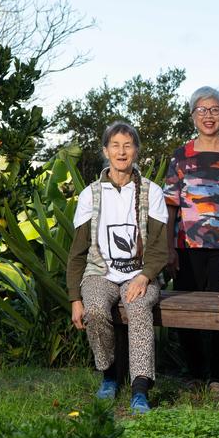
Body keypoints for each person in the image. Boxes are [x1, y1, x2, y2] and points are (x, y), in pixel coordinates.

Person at [67, 121, 168, 415]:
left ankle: (140, 390)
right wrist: (75, 298)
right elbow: (77, 252)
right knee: (95, 308)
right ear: (105, 151)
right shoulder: (90, 194)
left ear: (136, 151)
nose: (121, 152)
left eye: (127, 145)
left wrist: (145, 277)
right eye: (115, 145)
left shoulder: (152, 192)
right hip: (100, 273)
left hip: (140, 274)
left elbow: (160, 247)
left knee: (137, 308)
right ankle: (109, 376)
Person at [163, 86, 219, 396]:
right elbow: (170, 204)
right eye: (202, 110)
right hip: (186, 247)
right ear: (192, 115)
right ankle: (194, 373)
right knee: (183, 310)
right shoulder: (180, 155)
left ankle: (218, 377)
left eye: (215, 109)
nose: (208, 116)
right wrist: (168, 249)